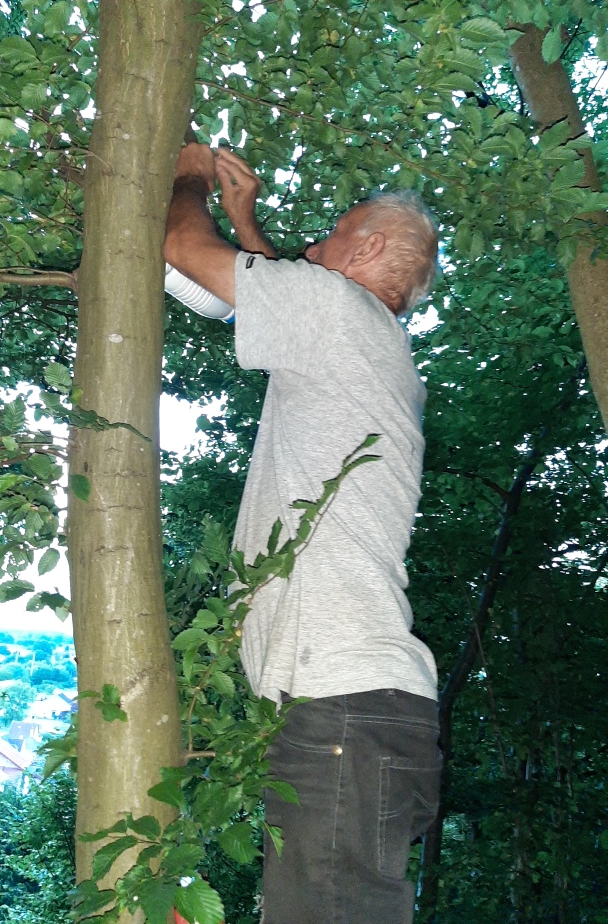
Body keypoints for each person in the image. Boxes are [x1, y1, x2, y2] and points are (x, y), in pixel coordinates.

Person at [163, 142, 442, 924]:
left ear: (372, 246)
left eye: (331, 232)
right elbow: (279, 303)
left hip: (342, 707)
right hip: (349, 710)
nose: (311, 244)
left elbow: (182, 250)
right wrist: (247, 221)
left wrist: (186, 175)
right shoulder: (358, 343)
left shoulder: (339, 318)